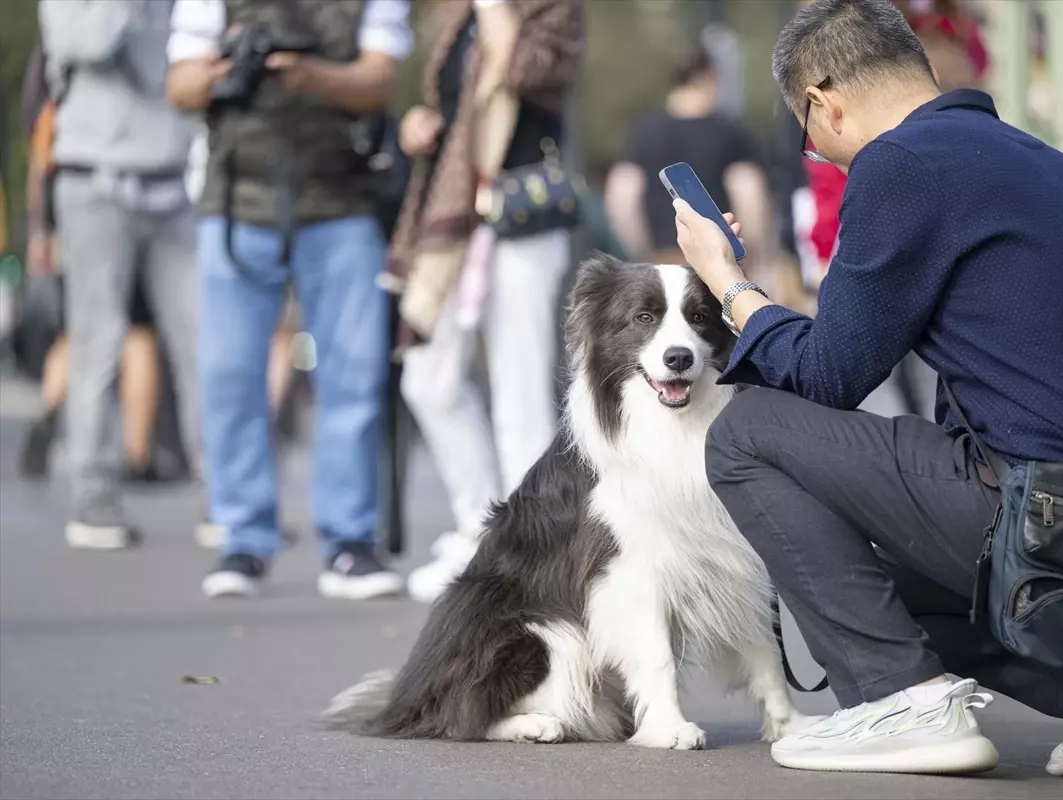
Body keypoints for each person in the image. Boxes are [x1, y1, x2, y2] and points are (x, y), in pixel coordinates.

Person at [675, 0, 1063, 778]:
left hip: (1038, 517)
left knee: (745, 434)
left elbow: (829, 376)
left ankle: (905, 702)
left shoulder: (902, 164)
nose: (824, 156)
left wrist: (727, 282)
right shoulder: (1049, 164)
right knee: (859, 586)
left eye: (812, 142)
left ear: (823, 101)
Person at [166, 0, 412, 598]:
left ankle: (350, 542)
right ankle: (242, 539)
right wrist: (229, 64)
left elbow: (380, 80)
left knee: (352, 374)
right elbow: (180, 85)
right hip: (237, 203)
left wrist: (310, 75)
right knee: (230, 374)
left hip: (342, 201)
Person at [390, 0, 585, 603]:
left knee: (519, 388)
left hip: (521, 219)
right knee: (427, 376)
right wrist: (421, 123)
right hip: (453, 219)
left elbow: (520, 72)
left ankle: (528, 554)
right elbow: (456, 106)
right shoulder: (456, 14)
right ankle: (479, 524)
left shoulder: (554, 12)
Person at [38, 1, 204, 547]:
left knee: (203, 344)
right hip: (94, 179)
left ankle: (227, 496)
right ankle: (94, 495)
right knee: (99, 342)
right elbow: (84, 44)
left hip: (174, 180)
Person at [605, 44, 778, 288]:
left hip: (662, 263)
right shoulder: (729, 132)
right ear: (708, 77)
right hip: (717, 261)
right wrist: (752, 255)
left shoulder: (644, 132)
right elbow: (748, 193)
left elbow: (622, 195)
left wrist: (642, 253)